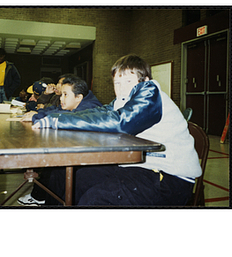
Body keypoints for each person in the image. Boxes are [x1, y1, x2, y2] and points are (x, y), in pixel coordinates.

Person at [32, 54, 202, 207]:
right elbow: (100, 112)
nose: (121, 87)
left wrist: (56, 120)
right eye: (117, 82)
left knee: (95, 199)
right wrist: (46, 117)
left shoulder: (150, 93)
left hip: (169, 178)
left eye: (128, 81)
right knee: (75, 178)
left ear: (145, 80)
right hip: (138, 167)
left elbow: (122, 122)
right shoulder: (122, 100)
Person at [17, 75, 102, 206]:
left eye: (65, 95)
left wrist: (37, 117)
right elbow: (56, 110)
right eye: (61, 94)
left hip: (96, 158)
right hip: (81, 150)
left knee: (57, 168)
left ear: (78, 97)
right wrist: (38, 115)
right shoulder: (77, 103)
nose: (61, 99)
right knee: (54, 167)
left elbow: (68, 116)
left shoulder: (89, 106)